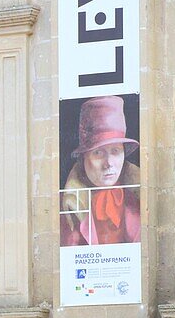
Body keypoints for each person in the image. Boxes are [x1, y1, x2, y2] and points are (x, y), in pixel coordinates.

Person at [60, 95, 140, 247]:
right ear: (83, 158)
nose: (108, 163)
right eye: (98, 153)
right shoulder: (67, 205)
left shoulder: (139, 198)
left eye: (115, 151)